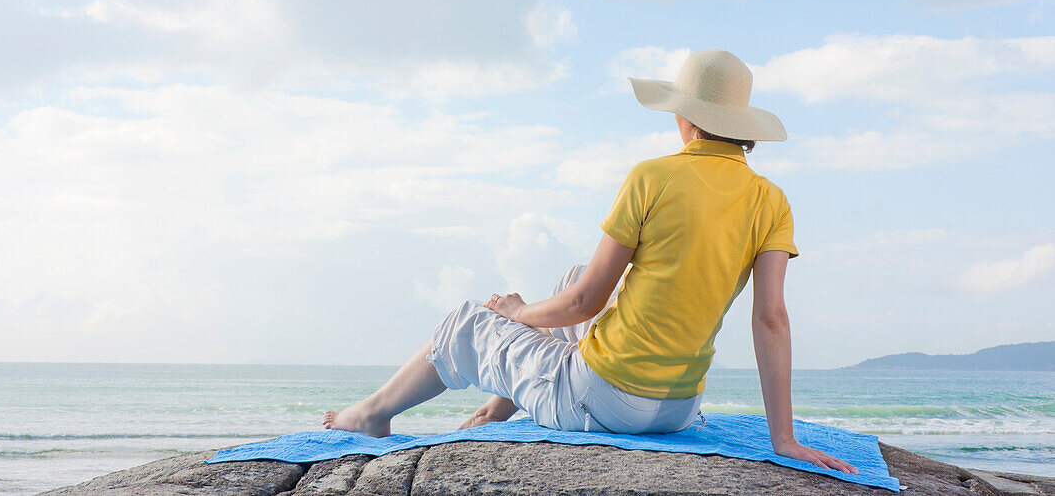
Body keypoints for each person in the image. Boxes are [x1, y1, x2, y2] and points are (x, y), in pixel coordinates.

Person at [323, 49, 857, 474]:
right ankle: (493, 410)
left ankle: (370, 415)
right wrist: (782, 439)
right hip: (678, 408)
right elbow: (770, 318)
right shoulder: (770, 199)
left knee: (468, 322)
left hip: (602, 400)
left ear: (688, 117)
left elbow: (586, 304)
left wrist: (517, 312)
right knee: (576, 271)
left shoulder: (654, 176)